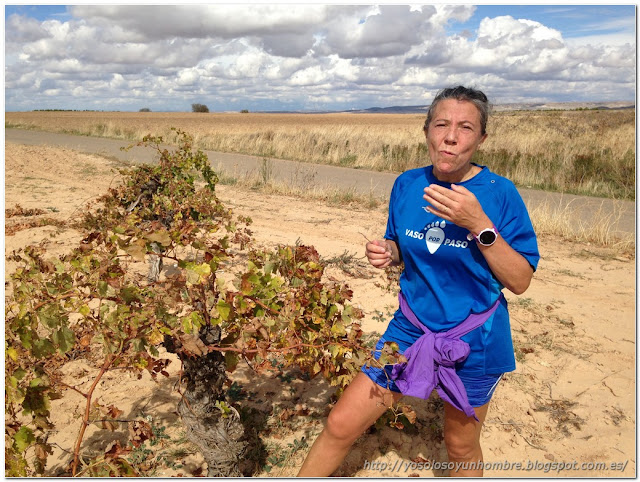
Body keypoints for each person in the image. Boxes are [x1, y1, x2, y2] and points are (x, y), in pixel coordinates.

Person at [297, 86, 540, 477]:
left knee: (460, 447)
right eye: (441, 124)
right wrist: (388, 252)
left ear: (481, 138)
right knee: (341, 423)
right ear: (427, 130)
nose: (451, 136)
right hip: (409, 329)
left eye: (465, 127)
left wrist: (479, 225)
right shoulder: (408, 185)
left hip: (474, 338)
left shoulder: (500, 194)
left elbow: (520, 280)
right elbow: (402, 246)